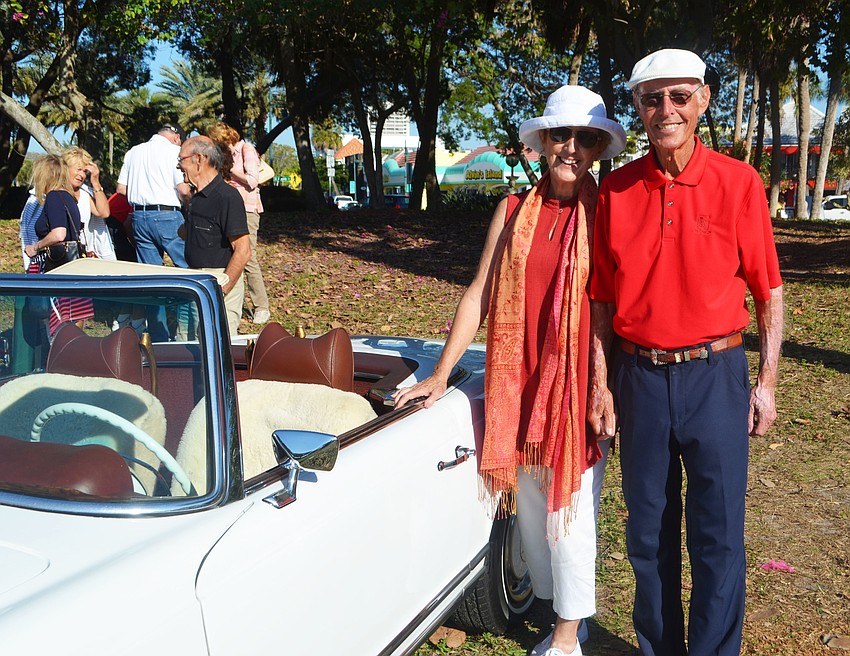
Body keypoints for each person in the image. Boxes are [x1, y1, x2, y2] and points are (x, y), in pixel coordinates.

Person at [394, 85, 627, 656]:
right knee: (531, 513)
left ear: (598, 148)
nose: (571, 147)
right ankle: (564, 611)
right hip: (517, 381)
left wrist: (606, 386)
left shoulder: (607, 213)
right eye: (561, 135)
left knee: (569, 509)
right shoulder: (513, 210)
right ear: (543, 142)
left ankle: (567, 639)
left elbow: (616, 307)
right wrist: (441, 374)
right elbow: (480, 292)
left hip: (578, 386)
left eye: (585, 138)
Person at [588, 49, 784, 656]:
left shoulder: (738, 182)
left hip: (716, 375)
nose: (666, 110)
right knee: (647, 535)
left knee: (718, 534)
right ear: (638, 107)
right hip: (639, 378)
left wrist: (767, 382)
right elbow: (601, 300)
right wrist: (600, 385)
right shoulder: (616, 189)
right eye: (652, 99)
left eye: (679, 96)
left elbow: (769, 290)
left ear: (702, 100)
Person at [177, 136, 250, 335]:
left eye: (181, 159)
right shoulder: (195, 197)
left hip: (217, 280)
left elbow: (243, 250)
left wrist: (222, 288)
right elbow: (188, 234)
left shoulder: (227, 197)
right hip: (192, 279)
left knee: (215, 343)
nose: (178, 165)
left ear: (199, 159)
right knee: (184, 341)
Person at [206, 122, 271, 325]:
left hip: (247, 209)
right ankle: (236, 302)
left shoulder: (246, 150)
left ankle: (261, 307)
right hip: (228, 209)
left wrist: (230, 170)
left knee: (248, 257)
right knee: (230, 257)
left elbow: (252, 181)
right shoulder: (225, 156)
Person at [23, 154, 94, 331]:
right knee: (73, 327)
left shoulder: (54, 197)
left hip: (57, 268)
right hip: (73, 267)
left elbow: (59, 233)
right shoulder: (69, 197)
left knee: (58, 328)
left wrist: (35, 247)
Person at [116, 123, 191, 267]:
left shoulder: (133, 151)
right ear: (177, 138)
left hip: (139, 217)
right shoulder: (175, 151)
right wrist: (189, 206)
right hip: (167, 214)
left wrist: (144, 192)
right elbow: (183, 190)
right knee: (187, 265)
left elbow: (121, 189)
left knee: (150, 271)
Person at [62, 147, 115, 260]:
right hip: (61, 256)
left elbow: (104, 213)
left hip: (84, 255)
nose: (82, 175)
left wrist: (95, 182)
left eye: (85, 171)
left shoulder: (85, 194)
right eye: (78, 169)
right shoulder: (52, 193)